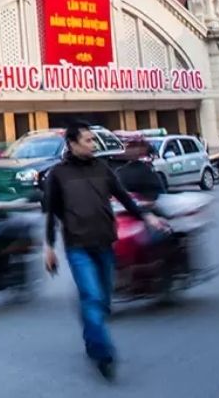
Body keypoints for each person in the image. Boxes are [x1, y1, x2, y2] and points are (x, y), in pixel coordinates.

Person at [43, 123, 167, 381]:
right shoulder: (58, 175)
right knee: (91, 297)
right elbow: (51, 213)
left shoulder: (102, 169)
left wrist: (146, 218)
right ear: (73, 144)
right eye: (88, 140)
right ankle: (104, 355)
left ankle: (92, 337)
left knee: (103, 301)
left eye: (93, 140)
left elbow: (123, 198)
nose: (93, 145)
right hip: (78, 247)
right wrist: (49, 247)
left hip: (105, 244)